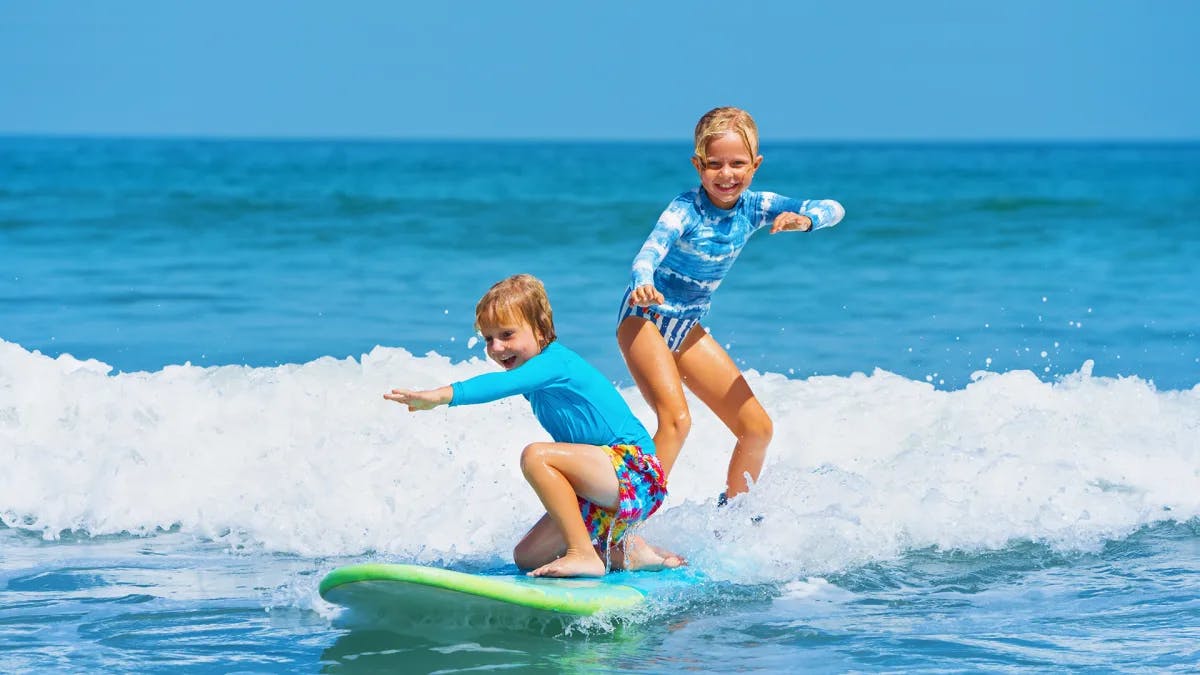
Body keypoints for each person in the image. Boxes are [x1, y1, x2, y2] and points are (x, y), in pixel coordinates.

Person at [617, 106, 845, 504]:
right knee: (676, 423)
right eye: (714, 164)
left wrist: (804, 221)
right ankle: (620, 522)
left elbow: (833, 208)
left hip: (685, 329)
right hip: (645, 319)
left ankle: (733, 522)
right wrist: (643, 283)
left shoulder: (755, 206)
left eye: (738, 163)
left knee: (757, 428)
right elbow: (648, 253)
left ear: (755, 165)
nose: (726, 174)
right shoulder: (685, 209)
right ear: (697, 165)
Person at [385, 274, 682, 578]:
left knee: (536, 456)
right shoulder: (533, 374)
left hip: (637, 472)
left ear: (540, 330)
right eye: (489, 338)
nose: (497, 347)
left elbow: (501, 384)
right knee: (528, 556)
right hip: (603, 484)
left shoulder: (554, 363)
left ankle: (584, 555)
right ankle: (628, 553)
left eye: (507, 334)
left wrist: (440, 396)